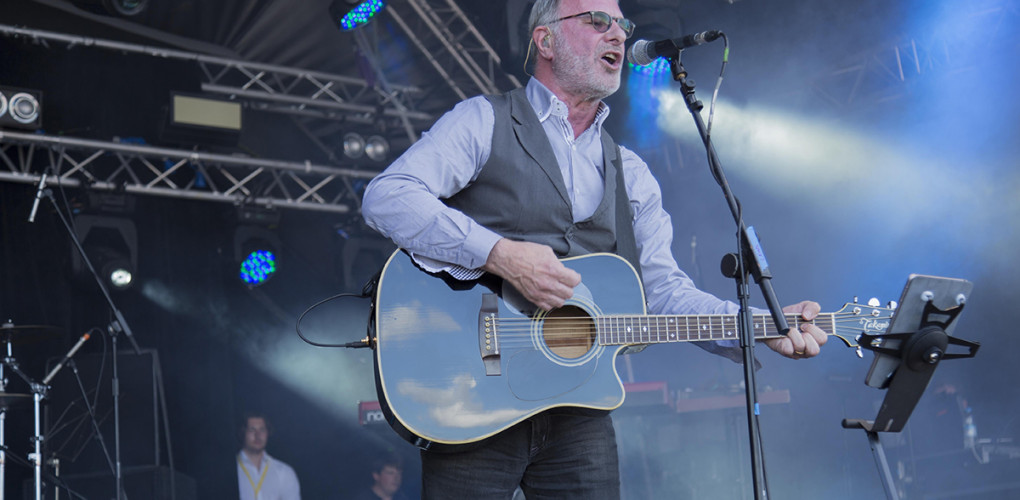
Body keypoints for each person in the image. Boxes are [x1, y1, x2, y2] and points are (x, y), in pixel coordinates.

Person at [361, 0, 827, 497]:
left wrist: (760, 326)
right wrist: (500, 255)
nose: (619, 35)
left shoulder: (632, 174)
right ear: (545, 40)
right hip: (470, 397)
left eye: (623, 25)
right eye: (597, 20)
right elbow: (388, 197)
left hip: (579, 409)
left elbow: (665, 292)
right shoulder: (483, 121)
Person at [236, 412, 301, 500]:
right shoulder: (230, 470)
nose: (258, 435)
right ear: (243, 432)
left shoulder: (284, 472)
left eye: (262, 430)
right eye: (252, 430)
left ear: (268, 433)